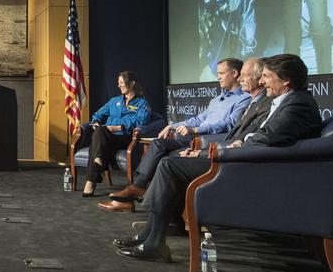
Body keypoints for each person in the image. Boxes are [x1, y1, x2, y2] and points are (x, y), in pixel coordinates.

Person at [114, 54, 324, 262]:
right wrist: (217, 149)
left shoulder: (297, 104)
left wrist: (221, 150)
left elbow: (267, 137)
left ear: (285, 80)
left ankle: (152, 241)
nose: (262, 81)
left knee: (170, 165)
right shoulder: (288, 101)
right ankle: (150, 236)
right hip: (246, 160)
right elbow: (263, 136)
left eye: (267, 77)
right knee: (171, 162)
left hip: (250, 169)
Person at [100, 58, 252, 212]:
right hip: (195, 138)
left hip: (210, 142)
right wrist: (172, 126)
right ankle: (137, 187)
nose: (218, 76)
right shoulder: (217, 99)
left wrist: (196, 130)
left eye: (221, 73)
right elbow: (198, 119)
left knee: (165, 159)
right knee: (159, 143)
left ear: (234, 74)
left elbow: (230, 124)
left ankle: (133, 195)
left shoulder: (244, 99)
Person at [79, 71, 150, 197]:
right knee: (100, 130)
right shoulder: (114, 101)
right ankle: (97, 161)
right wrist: (96, 121)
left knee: (97, 139)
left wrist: (120, 126)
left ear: (132, 83)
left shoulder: (142, 103)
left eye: (122, 83)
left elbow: (141, 120)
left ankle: (91, 179)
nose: (119, 86)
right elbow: (98, 114)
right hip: (107, 136)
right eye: (118, 83)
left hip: (125, 137)